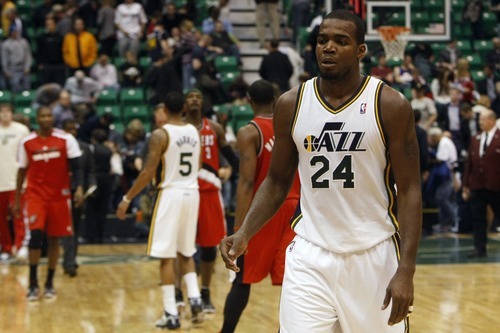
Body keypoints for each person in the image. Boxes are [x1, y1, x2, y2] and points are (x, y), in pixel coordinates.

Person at [220, 10, 422, 332]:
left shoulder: (390, 105)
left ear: (360, 51)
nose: (328, 47)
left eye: (341, 41)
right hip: (310, 253)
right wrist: (245, 231)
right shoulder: (291, 104)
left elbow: (410, 190)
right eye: (322, 40)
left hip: (373, 253)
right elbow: (276, 181)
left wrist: (407, 269)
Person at [116, 91, 204, 329]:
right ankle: (195, 299)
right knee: (186, 251)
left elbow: (147, 172)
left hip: (171, 193)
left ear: (164, 111)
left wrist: (127, 198)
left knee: (166, 257)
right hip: (191, 191)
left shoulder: (160, 134)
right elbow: (199, 164)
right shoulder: (194, 131)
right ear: (184, 109)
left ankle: (170, 313)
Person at [220, 80, 300, 333]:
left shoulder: (250, 132)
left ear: (249, 102)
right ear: (276, 99)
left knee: (242, 280)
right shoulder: (291, 126)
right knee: (295, 281)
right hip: (296, 208)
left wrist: (240, 227)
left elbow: (245, 182)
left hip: (264, 209)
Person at [14, 105, 84, 301]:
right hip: (35, 196)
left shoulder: (66, 139)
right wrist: (18, 198)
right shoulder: (27, 142)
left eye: (49, 115)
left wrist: (78, 188)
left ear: (53, 118)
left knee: (54, 239)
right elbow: (21, 171)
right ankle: (33, 283)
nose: (46, 118)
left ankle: (50, 283)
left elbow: (77, 167)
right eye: (42, 116)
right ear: (37, 118)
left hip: (59, 197)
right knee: (36, 237)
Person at [184, 89, 239, 313]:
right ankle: (182, 295)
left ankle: (205, 292)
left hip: (209, 194)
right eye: (191, 97)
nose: (195, 100)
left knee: (208, 249)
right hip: (185, 193)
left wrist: (228, 171)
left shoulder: (215, 129)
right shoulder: (177, 129)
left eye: (198, 97)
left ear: (203, 102)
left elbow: (234, 161)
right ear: (185, 104)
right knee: (183, 249)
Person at [462, 109, 500, 258]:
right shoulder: (475, 138)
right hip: (477, 185)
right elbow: (469, 163)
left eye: (483, 120)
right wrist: (466, 184)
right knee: (478, 218)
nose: (480, 122)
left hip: (496, 186)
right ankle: (480, 248)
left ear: (491, 120)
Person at [61, 119, 96, 277]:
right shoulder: (58, 146)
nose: (71, 133)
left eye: (73, 129)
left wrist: (90, 187)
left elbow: (89, 170)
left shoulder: (85, 148)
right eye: (68, 129)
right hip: (59, 192)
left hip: (77, 192)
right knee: (62, 230)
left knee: (74, 228)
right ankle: (64, 259)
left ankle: (71, 260)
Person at [0, 104, 30, 263]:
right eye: (1, 112)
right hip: (0, 182)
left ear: (12, 113)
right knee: (1, 220)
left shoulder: (21, 130)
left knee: (18, 216)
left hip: (16, 183)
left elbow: (28, 154)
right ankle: (5, 247)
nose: (4, 114)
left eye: (7, 112)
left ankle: (20, 247)